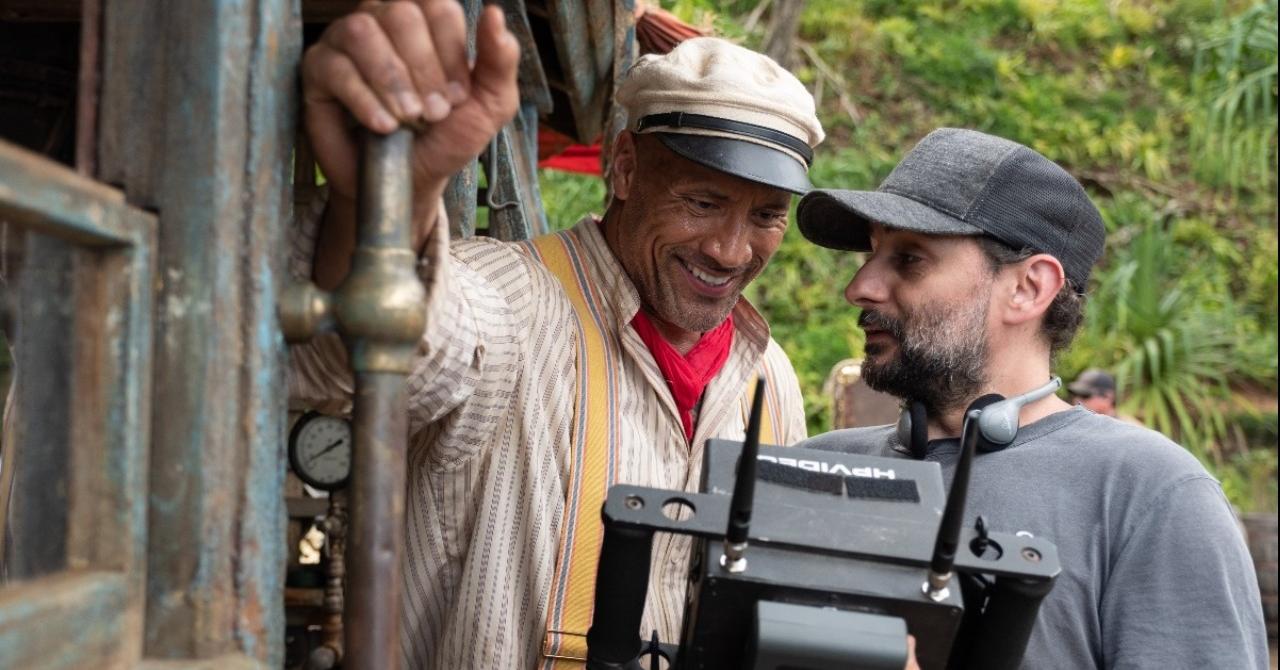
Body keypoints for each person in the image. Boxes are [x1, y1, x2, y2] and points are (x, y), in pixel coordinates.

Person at [289, 2, 821, 667]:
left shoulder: (772, 380)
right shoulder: (512, 304)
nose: (731, 249)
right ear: (624, 167)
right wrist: (390, 205)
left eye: (767, 216)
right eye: (702, 201)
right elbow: (360, 350)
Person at [794, 128, 1268, 669]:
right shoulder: (818, 466)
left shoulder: (1149, 495)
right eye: (873, 254)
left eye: (909, 260)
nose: (860, 286)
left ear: (1028, 289)